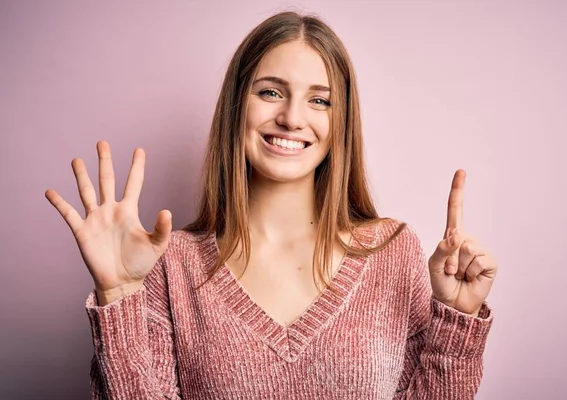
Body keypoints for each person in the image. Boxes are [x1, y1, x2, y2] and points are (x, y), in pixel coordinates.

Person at [45, 10, 497, 400]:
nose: (292, 117)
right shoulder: (171, 265)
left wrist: (455, 324)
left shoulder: (391, 251)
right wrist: (119, 294)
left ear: (341, 123)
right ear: (236, 106)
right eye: (270, 92)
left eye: (319, 100)